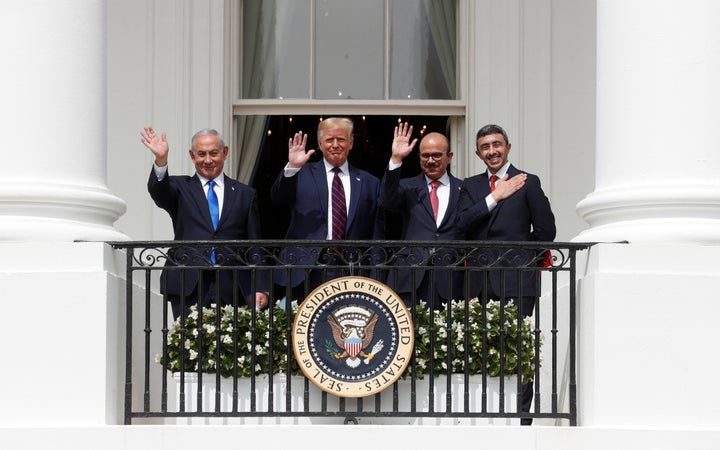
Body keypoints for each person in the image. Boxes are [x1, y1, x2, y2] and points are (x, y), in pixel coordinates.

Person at [457, 123, 556, 425]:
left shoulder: (528, 182)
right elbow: (460, 226)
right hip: (478, 281)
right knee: (479, 346)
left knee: (520, 347)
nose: (492, 151)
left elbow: (546, 231)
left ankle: (521, 421)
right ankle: (484, 418)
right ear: (478, 153)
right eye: (485, 147)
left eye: (497, 145)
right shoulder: (470, 187)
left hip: (518, 281)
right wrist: (495, 197)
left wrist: (524, 263)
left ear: (508, 147)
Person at [141, 127, 269, 318]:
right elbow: (159, 192)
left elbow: (254, 245)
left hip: (232, 284)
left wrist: (260, 287)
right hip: (188, 283)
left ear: (224, 153)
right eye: (201, 154)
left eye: (213, 153)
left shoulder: (245, 194)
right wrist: (161, 160)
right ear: (192, 156)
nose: (207, 160)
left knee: (229, 346)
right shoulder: (180, 187)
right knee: (186, 344)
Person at [270, 117, 381, 301]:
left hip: (351, 270)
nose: (335, 145)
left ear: (351, 143)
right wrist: (292, 168)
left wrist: (376, 278)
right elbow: (278, 198)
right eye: (329, 140)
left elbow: (376, 234)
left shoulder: (370, 182)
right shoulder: (301, 173)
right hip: (305, 269)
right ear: (320, 144)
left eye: (341, 139)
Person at [378, 123, 464, 309]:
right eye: (425, 155)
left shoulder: (464, 189)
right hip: (410, 277)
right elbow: (386, 200)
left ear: (449, 157)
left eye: (436, 155)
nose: (430, 160)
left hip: (449, 279)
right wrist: (396, 159)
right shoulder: (408, 187)